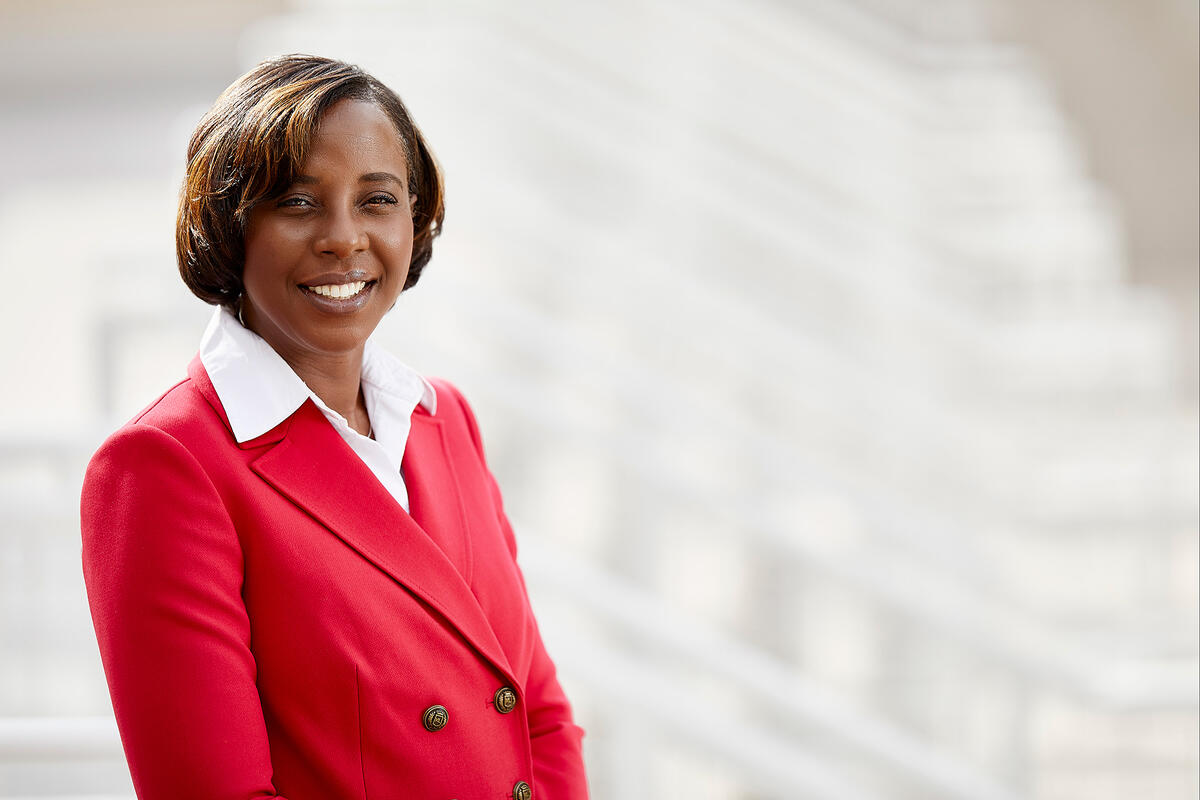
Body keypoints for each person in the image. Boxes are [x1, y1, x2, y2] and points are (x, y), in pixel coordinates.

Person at [80, 54, 587, 800]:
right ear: (229, 227)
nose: (344, 238)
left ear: (415, 218)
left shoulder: (444, 419)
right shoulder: (164, 465)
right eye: (297, 203)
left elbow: (536, 713)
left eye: (377, 200)